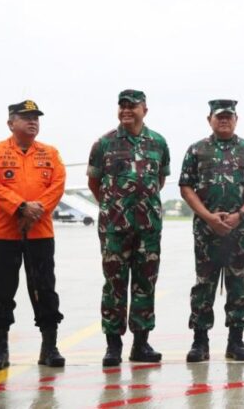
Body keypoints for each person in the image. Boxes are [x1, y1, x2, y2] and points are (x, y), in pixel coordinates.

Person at [0, 100, 66, 371]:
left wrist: (37, 210)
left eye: (36, 118)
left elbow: (58, 184)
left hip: (40, 233)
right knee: (1, 290)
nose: (33, 122)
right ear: (10, 123)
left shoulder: (50, 153)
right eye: (26, 117)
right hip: (4, 235)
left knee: (44, 289)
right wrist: (20, 207)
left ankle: (49, 347)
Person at [179, 99, 244, 362]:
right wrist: (208, 217)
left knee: (239, 283)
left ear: (236, 119)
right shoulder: (197, 150)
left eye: (229, 116)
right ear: (210, 120)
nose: (224, 120)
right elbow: (186, 188)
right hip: (206, 231)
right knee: (204, 284)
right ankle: (200, 342)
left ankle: (236, 341)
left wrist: (239, 216)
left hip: (239, 231)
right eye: (219, 116)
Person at [87, 89, 170, 367]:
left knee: (145, 284)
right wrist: (115, 208)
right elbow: (94, 184)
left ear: (144, 109)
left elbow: (159, 180)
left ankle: (141, 344)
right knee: (114, 285)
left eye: (132, 106)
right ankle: (113, 346)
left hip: (148, 228)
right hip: (114, 228)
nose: (126, 110)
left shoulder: (158, 143)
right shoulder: (104, 143)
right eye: (122, 106)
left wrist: (139, 207)